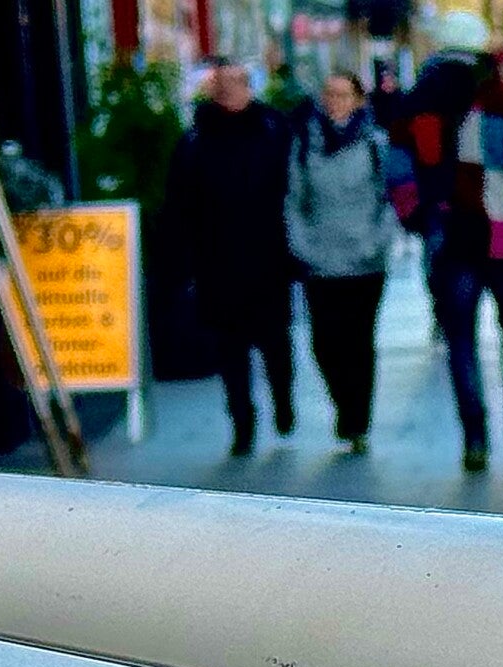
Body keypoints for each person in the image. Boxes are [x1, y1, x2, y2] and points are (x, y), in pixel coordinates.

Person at [389, 9, 503, 473]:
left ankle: (475, 437)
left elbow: (398, 169)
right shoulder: (500, 99)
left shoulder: (418, 102)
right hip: (502, 231)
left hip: (449, 233)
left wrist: (418, 217)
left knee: (461, 338)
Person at [167, 59, 296, 456]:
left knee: (276, 343)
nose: (226, 91)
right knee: (230, 349)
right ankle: (242, 422)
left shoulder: (273, 130)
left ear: (249, 88)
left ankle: (283, 401)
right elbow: (179, 205)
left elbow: (293, 189)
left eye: (235, 83)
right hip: (217, 263)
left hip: (269, 260)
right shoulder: (195, 140)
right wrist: (181, 259)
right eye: (220, 84)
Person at [287, 72, 399, 454]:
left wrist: (377, 242)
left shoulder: (375, 144)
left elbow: (391, 199)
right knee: (324, 343)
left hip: (366, 261)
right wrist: (303, 247)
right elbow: (294, 201)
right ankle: (343, 403)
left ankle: (356, 420)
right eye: (329, 94)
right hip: (321, 261)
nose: (334, 101)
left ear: (358, 100)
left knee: (358, 341)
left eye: (342, 94)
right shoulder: (306, 144)